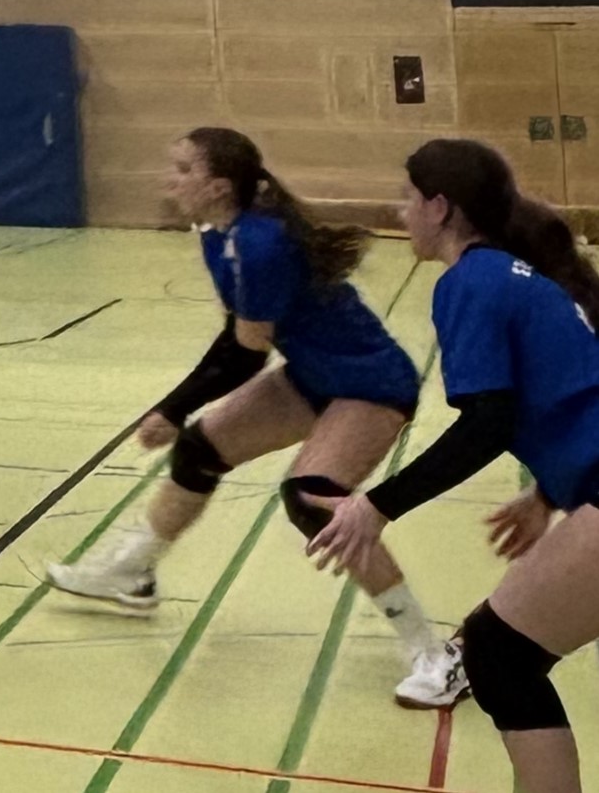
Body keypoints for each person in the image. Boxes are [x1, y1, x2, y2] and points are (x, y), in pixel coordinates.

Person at [45, 127, 465, 708]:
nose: (170, 181)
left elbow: (247, 354)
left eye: (184, 170)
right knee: (200, 450)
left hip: (369, 384)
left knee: (314, 501)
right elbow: (237, 335)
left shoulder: (260, 243)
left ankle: (431, 653)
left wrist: (172, 407)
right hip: (314, 375)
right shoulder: (219, 234)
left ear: (219, 186)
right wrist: (177, 412)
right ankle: (131, 573)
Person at [312, 138, 599, 793]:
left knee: (499, 655)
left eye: (408, 198)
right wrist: (546, 494)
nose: (400, 211)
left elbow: (488, 422)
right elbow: (568, 388)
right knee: (500, 654)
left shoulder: (471, 281)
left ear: (439, 207)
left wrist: (375, 505)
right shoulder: (519, 276)